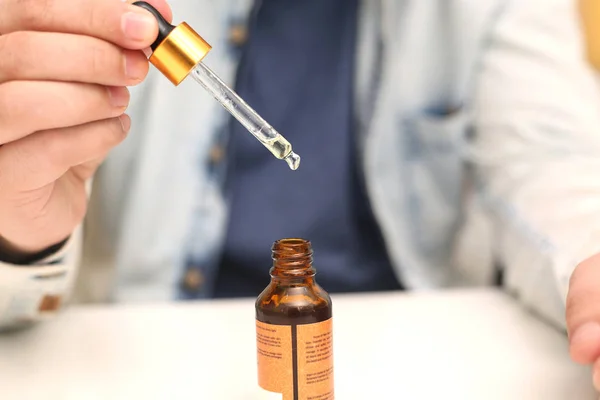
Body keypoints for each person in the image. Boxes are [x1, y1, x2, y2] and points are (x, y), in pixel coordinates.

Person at [1, 0, 600, 388]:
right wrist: (19, 235)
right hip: (139, 362)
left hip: (410, 361)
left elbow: (551, 155)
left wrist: (589, 255)